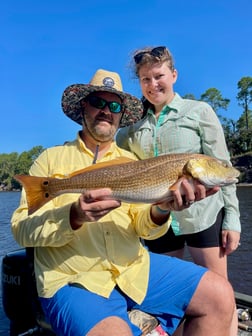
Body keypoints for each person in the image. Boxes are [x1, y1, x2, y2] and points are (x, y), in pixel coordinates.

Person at [12, 69, 236, 336]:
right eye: (98, 102)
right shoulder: (49, 160)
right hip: (74, 279)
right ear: (83, 106)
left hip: (134, 268)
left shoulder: (132, 161)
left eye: (115, 106)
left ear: (121, 115)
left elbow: (144, 229)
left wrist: (163, 208)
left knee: (221, 295)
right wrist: (73, 216)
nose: (106, 110)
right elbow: (21, 229)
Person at [116, 46, 241, 335]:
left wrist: (232, 219)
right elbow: (115, 159)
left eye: (158, 76)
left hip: (204, 217)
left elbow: (224, 169)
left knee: (220, 291)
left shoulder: (199, 112)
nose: (153, 84)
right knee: (173, 296)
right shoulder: (132, 128)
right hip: (159, 219)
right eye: (145, 79)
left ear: (173, 74)